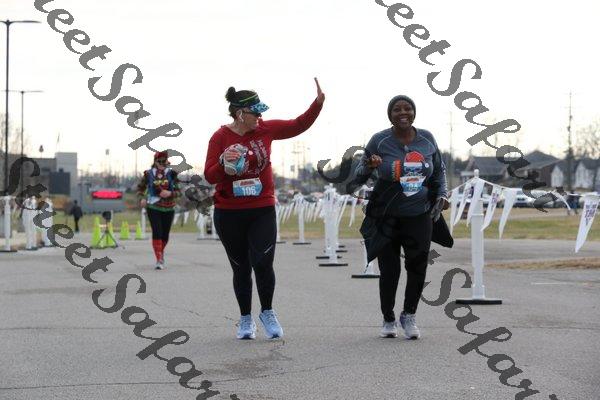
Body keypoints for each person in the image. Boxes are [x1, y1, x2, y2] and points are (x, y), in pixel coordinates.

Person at [204, 78, 324, 340]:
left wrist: (317, 104)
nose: (260, 116)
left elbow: (298, 124)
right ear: (240, 114)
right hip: (229, 212)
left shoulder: (265, 129)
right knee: (241, 267)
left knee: (263, 262)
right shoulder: (220, 137)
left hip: (261, 208)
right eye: (255, 112)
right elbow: (210, 175)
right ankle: (245, 319)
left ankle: (267, 311)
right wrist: (223, 163)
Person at [354, 95, 450, 340]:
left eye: (408, 108)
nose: (403, 113)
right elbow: (358, 174)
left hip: (419, 214)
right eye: (397, 109)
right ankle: (388, 318)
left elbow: (439, 171)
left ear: (414, 113)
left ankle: (409, 315)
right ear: (390, 115)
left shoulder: (427, 139)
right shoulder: (379, 140)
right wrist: (370, 165)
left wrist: (442, 195)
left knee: (417, 266)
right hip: (386, 215)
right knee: (390, 270)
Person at [136, 151, 181, 270]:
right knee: (157, 232)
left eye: (163, 161)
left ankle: (160, 252)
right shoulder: (148, 174)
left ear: (167, 161)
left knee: (165, 235)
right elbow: (140, 189)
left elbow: (179, 192)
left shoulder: (172, 174)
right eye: (159, 161)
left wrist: (170, 193)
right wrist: (142, 198)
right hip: (153, 206)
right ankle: (159, 259)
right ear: (155, 162)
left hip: (169, 207)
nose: (161, 163)